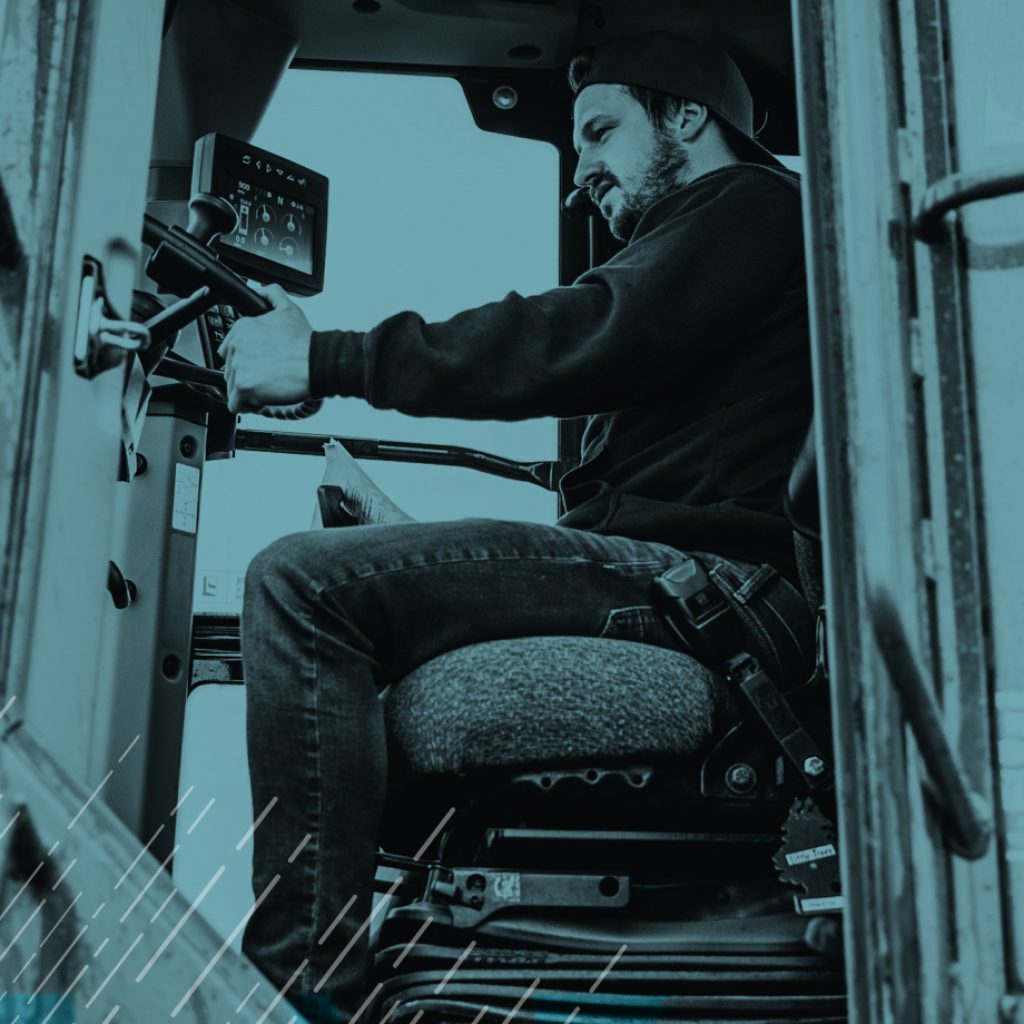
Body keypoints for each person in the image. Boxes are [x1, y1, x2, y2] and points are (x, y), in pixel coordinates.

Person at [219, 32, 814, 1023]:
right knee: (343, 576)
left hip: (716, 593)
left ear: (687, 115)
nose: (581, 170)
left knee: (303, 583)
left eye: (599, 129)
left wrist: (329, 359)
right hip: (686, 583)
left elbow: (574, 336)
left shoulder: (745, 205)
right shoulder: (721, 259)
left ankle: (294, 995)